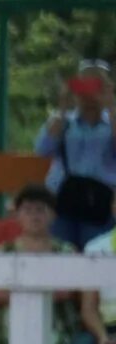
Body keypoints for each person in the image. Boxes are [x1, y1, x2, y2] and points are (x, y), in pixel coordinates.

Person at [0, 185, 94, 344]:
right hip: (5, 325)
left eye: (41, 210)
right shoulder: (3, 251)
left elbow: (65, 293)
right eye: (28, 210)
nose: (34, 216)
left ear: (53, 215)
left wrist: (19, 290)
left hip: (57, 324)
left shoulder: (66, 251)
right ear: (18, 215)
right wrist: (44, 289)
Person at [34, 59, 116, 251]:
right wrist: (63, 107)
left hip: (100, 203)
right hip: (62, 200)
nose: (89, 93)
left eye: (96, 85)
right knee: (60, 259)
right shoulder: (64, 121)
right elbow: (42, 149)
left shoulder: (112, 122)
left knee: (94, 258)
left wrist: (110, 105)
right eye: (83, 84)